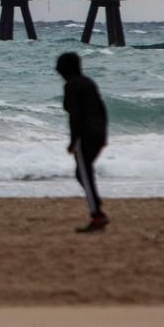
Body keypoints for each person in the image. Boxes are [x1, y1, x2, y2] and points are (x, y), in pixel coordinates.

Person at [56, 51, 108, 233]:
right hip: (98, 133)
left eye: (59, 66)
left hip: (85, 135)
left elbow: (75, 116)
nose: (57, 70)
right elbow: (102, 109)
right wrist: (104, 135)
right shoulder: (88, 83)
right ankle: (96, 203)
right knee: (83, 172)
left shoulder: (72, 85)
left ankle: (97, 215)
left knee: (84, 173)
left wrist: (73, 140)